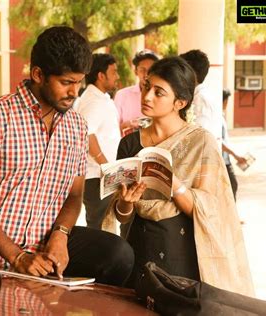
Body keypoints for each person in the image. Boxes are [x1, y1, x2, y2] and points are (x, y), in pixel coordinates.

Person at [0, 26, 134, 287]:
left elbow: (74, 195)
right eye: (66, 83)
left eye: (79, 82)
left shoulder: (76, 126)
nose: (75, 92)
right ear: (38, 74)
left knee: (118, 254)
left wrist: (61, 235)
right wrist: (17, 256)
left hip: (47, 249)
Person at [102, 57, 254, 296]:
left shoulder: (200, 142)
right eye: (146, 86)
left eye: (158, 92)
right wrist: (126, 201)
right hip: (140, 248)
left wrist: (170, 180)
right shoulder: (130, 143)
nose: (147, 96)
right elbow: (123, 217)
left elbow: (204, 208)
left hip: (183, 252)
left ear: (180, 102)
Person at [75, 53, 121, 229]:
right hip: (98, 176)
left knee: (106, 226)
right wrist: (107, 166)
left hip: (101, 174)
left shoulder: (100, 98)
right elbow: (86, 134)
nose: (117, 76)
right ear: (101, 76)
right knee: (100, 228)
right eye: (114, 72)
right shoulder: (94, 101)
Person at [180, 49, 222, 145]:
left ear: (192, 74)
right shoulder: (194, 96)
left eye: (181, 70)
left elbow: (199, 139)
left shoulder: (200, 100)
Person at [114, 49, 159, 135]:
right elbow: (113, 129)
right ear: (136, 71)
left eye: (150, 70)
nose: (146, 74)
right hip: (128, 145)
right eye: (142, 70)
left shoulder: (162, 95)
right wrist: (127, 125)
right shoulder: (122, 95)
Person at [221, 89, 246, 200]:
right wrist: (235, 155)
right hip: (222, 160)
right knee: (232, 186)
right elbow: (218, 141)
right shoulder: (216, 118)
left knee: (231, 187)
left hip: (225, 159)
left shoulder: (220, 117)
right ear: (224, 101)